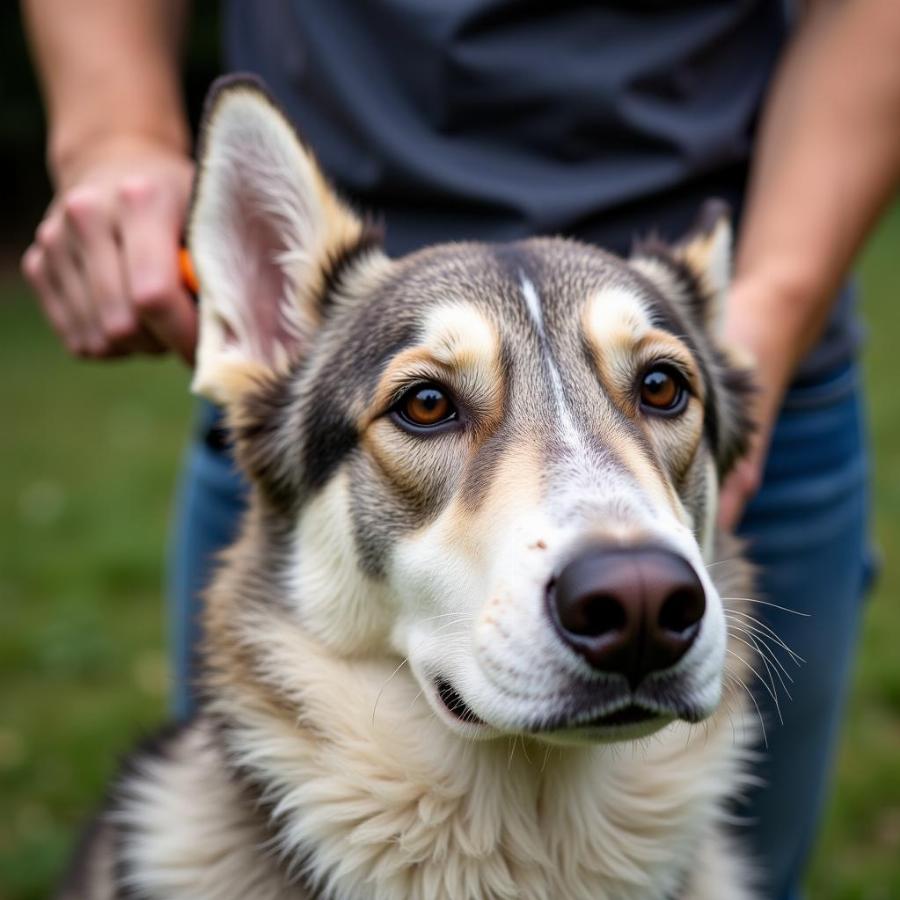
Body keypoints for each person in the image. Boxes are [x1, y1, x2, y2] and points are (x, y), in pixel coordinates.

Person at [20, 2, 900, 896]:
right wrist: (114, 134)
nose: (633, 576)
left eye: (661, 389)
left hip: (771, 255)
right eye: (430, 404)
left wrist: (773, 301)